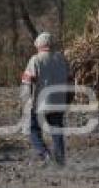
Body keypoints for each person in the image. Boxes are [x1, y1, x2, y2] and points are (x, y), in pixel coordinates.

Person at [22, 32, 72, 166]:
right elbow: (69, 80)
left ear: (38, 45)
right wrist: (68, 100)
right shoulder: (62, 59)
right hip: (59, 102)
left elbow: (27, 83)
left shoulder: (35, 60)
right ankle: (60, 160)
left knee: (34, 130)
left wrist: (27, 101)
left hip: (40, 103)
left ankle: (44, 154)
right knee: (57, 130)